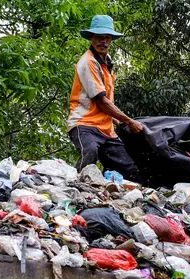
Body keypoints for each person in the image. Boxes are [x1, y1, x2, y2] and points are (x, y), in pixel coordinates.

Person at [67, 15, 144, 182]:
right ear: (91, 38)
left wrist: (118, 122)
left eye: (107, 38)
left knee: (130, 169)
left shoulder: (107, 62)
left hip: (105, 129)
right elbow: (102, 101)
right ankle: (73, 186)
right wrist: (130, 121)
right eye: (99, 38)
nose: (103, 42)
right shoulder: (88, 62)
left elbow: (108, 98)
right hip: (84, 124)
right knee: (90, 153)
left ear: (111, 40)